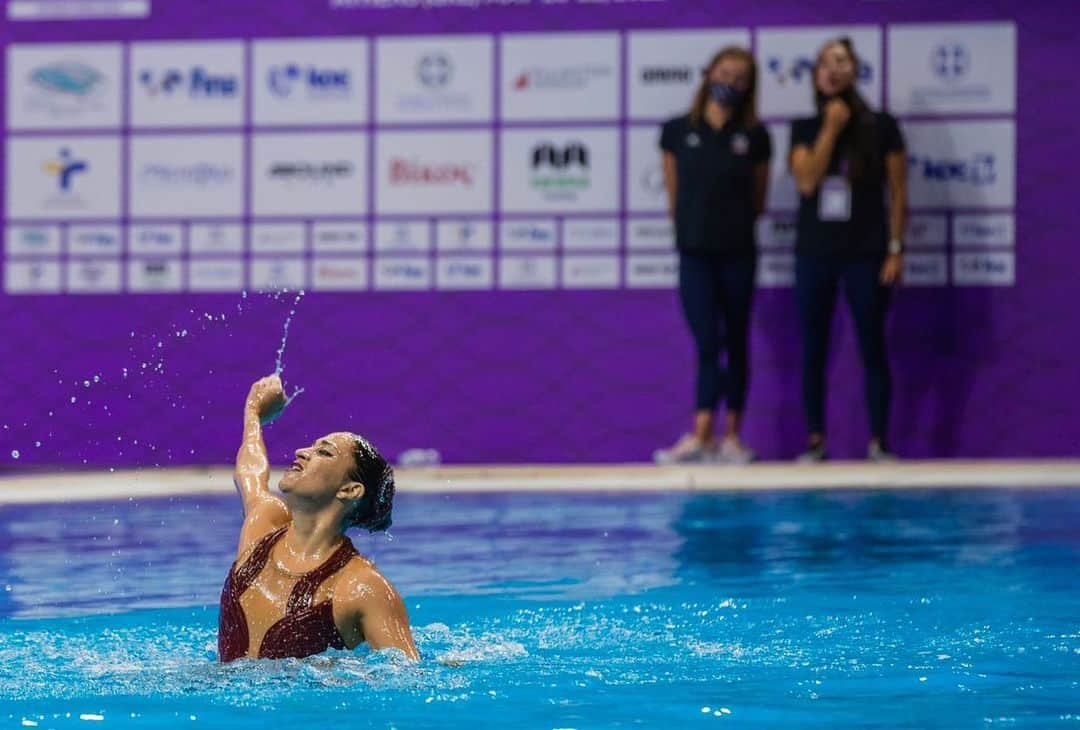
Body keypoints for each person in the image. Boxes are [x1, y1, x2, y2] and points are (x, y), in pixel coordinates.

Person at [218, 374, 419, 662]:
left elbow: (409, 679)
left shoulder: (362, 587)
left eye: (323, 452)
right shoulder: (264, 526)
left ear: (350, 490)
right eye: (311, 447)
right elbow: (250, 473)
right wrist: (254, 414)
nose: (302, 452)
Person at [788, 38, 908, 462]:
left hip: (866, 252)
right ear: (815, 75)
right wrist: (831, 128)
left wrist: (895, 248)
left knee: (872, 344)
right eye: (823, 63)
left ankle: (878, 441)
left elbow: (898, 191)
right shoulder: (804, 127)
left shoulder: (882, 126)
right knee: (813, 347)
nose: (831, 69)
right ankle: (815, 441)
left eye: (840, 60)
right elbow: (806, 181)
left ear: (855, 69)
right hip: (815, 253)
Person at [654, 46, 771, 464]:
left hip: (738, 253)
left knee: (736, 341)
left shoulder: (755, 136)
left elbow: (759, 199)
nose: (731, 83)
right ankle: (700, 434)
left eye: (741, 78)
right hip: (695, 253)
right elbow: (674, 195)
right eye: (726, 73)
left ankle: (732, 437)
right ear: (708, 74)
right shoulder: (676, 130)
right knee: (708, 341)